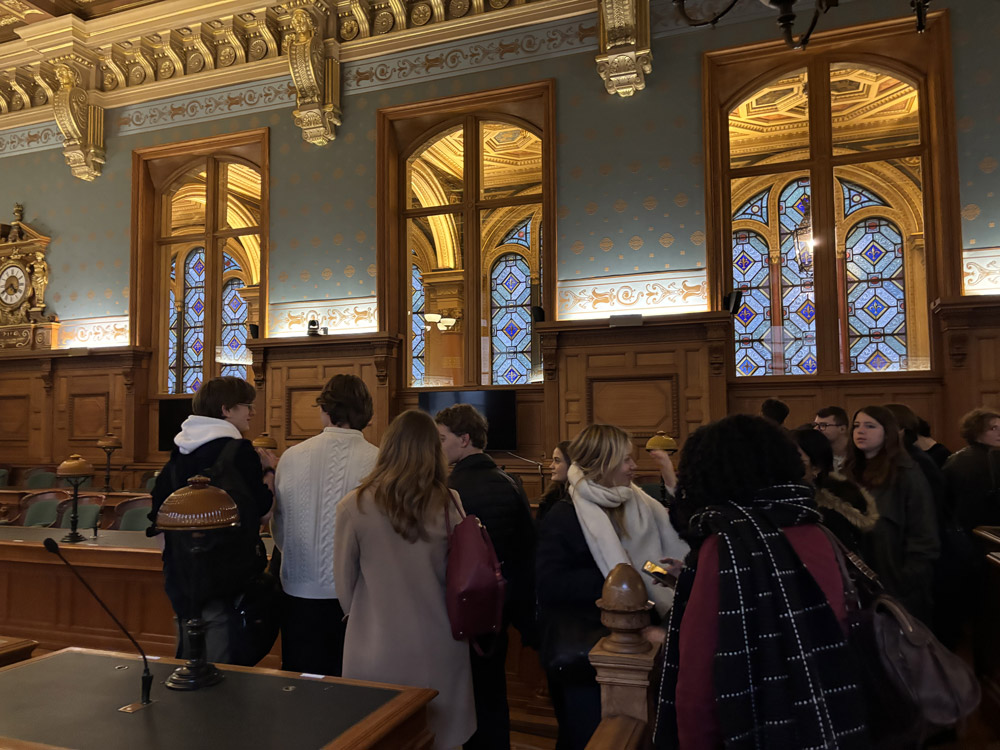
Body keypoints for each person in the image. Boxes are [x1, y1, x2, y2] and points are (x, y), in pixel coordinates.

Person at [652, 415, 868, 750]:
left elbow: (698, 684)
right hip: (830, 717)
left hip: (761, 727)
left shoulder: (726, 544)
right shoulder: (815, 527)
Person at [537, 424, 687, 750]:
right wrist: (619, 582)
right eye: (626, 460)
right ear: (602, 464)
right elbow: (551, 584)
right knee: (587, 737)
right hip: (586, 648)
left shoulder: (640, 503)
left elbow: (650, 562)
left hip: (637, 644)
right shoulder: (565, 514)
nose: (634, 467)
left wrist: (661, 574)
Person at [334, 410, 475, 749]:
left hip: (375, 645)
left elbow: (343, 587)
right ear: (433, 451)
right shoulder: (450, 501)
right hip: (440, 642)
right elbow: (461, 576)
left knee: (378, 737)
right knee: (438, 738)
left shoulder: (353, 505)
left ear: (388, 447)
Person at [148, 376, 275, 664]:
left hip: (182, 572)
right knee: (224, 660)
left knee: (189, 656)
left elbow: (158, 516)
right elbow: (263, 512)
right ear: (226, 409)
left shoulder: (179, 452)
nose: (252, 413)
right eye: (247, 406)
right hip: (227, 571)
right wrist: (269, 471)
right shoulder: (239, 451)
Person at [434, 403, 535, 750]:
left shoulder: (449, 490)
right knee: (493, 693)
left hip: (460, 608)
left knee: (465, 697)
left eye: (442, 438)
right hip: (500, 607)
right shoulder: (511, 483)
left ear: (464, 439)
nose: (438, 446)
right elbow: (527, 550)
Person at [271, 374, 378, 676]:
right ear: (366, 413)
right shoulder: (379, 460)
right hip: (356, 594)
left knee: (300, 679)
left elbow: (280, 525)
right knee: (349, 681)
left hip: (299, 588)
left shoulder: (292, 457)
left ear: (325, 409)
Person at [846, 405, 940, 622]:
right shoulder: (850, 472)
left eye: (870, 426)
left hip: (896, 579)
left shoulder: (906, 473)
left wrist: (906, 578)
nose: (861, 431)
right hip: (859, 578)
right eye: (857, 426)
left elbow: (923, 533)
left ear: (887, 432)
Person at [791, 427, 879, 553]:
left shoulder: (833, 510)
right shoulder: (782, 498)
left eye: (797, 460)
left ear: (816, 468)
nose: (787, 465)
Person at [943, 407, 1000, 531]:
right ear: (976, 432)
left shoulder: (956, 458)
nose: (999, 433)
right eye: (993, 428)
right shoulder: (965, 460)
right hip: (979, 529)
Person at [537, 441, 573, 525]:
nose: (551, 466)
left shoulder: (578, 499)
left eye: (557, 461)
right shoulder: (551, 496)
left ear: (571, 464)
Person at [814, 405, 850, 472]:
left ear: (842, 429)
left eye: (823, 425)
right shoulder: (816, 453)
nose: (816, 429)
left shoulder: (858, 453)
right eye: (816, 425)